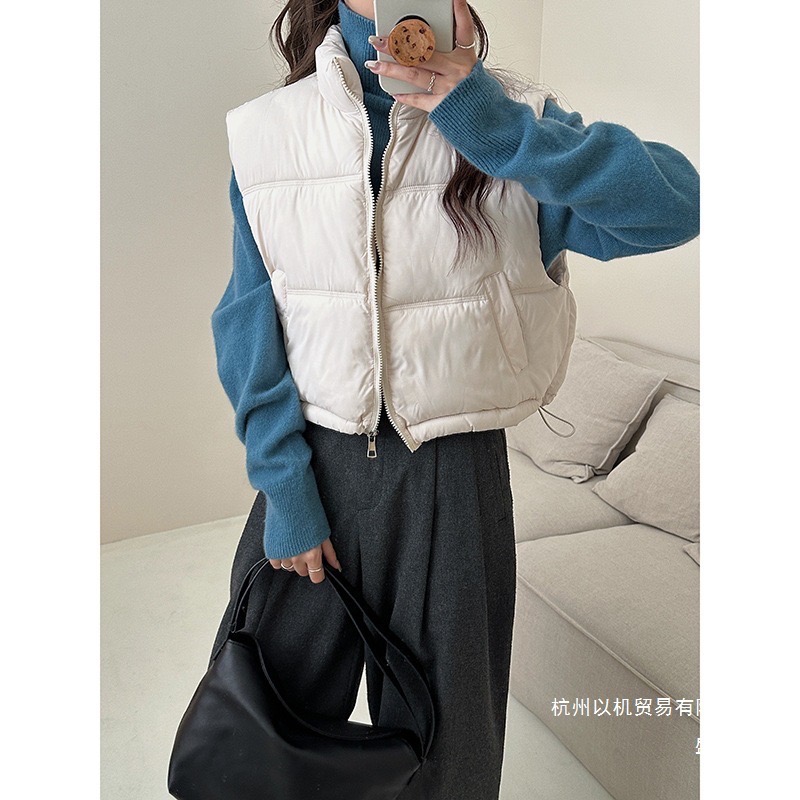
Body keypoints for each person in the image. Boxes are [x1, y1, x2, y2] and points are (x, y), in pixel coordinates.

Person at [207, 0, 700, 797]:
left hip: (456, 479)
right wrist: (283, 487)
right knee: (262, 726)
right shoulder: (268, 130)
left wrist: (490, 124)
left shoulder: (516, 122)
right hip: (311, 469)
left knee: (449, 748)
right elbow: (248, 318)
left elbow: (679, 207)